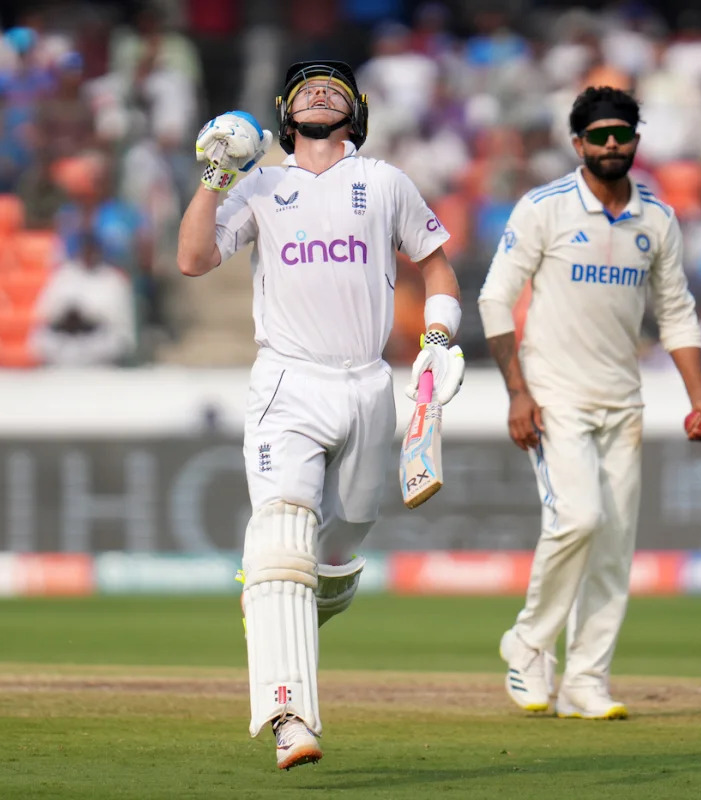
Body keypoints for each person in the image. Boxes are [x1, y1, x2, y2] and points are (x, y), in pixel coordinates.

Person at [176, 60, 464, 770]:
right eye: (307, 87)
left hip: (368, 385)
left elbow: (437, 265)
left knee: (336, 559)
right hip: (288, 383)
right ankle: (288, 716)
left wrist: (435, 342)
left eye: (334, 87)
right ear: (285, 112)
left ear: (356, 112)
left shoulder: (385, 180)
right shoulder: (260, 184)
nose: (320, 91)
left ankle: (279, 599)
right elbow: (192, 258)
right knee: (280, 538)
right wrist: (213, 178)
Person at [477, 86, 701, 720]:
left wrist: (699, 398)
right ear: (578, 143)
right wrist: (517, 392)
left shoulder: (658, 221)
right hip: (554, 393)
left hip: (623, 400)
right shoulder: (544, 208)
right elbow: (494, 299)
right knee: (579, 519)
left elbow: (676, 314)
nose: (611, 144)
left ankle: (586, 680)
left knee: (614, 547)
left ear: (636, 141)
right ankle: (529, 644)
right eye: (599, 135)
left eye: (622, 133)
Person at [30, 233, 136, 366]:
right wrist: (67, 315)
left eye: (93, 251)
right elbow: (44, 311)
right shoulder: (65, 274)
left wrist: (88, 316)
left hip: (98, 340)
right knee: (41, 340)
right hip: (66, 339)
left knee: (111, 343)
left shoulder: (113, 279)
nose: (89, 255)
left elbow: (119, 322)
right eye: (86, 250)